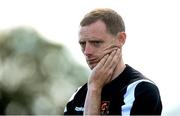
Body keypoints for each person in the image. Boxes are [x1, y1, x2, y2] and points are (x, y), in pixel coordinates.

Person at [64, 8, 162, 115]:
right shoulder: (78, 96)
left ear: (121, 39)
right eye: (82, 44)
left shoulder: (141, 90)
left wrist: (94, 90)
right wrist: (93, 88)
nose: (87, 52)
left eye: (96, 42)